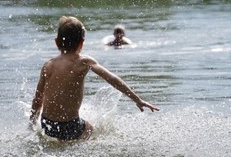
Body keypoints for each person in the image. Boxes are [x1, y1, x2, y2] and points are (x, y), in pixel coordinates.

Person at [30, 16, 159, 141]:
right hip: (70, 125)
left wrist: (32, 123)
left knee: (61, 134)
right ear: (81, 43)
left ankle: (60, 141)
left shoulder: (48, 65)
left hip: (47, 124)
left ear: (57, 42)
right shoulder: (83, 61)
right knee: (90, 129)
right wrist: (138, 100)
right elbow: (112, 79)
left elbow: (38, 98)